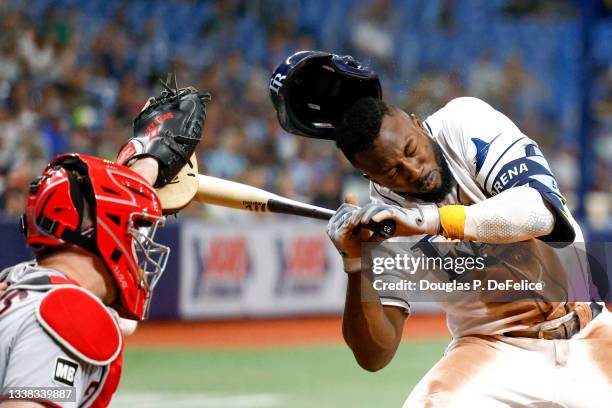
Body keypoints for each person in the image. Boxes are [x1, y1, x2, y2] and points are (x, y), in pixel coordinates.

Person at [270, 51, 612, 407]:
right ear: (369, 177)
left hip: (591, 331)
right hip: (493, 350)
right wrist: (356, 265)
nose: (413, 170)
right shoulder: (379, 220)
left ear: (418, 124)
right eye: (391, 171)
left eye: (411, 150)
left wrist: (429, 220)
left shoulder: (464, 123)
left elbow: (542, 214)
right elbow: (375, 356)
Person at [0, 84, 210, 407]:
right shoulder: (63, 311)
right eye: (130, 226)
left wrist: (146, 164)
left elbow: (115, 322)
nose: (136, 241)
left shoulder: (18, 285)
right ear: (99, 231)